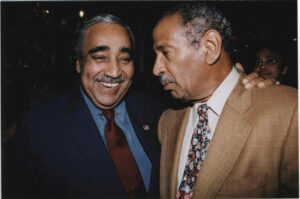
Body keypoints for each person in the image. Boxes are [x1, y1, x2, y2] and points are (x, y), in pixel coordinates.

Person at [4, 14, 164, 199]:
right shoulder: (37, 128)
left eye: (125, 59)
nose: (114, 71)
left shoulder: (155, 111)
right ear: (78, 64)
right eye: (100, 57)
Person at [152, 3, 298, 199]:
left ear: (210, 46)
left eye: (166, 53)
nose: (156, 69)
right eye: (156, 55)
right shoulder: (167, 122)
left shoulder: (288, 111)